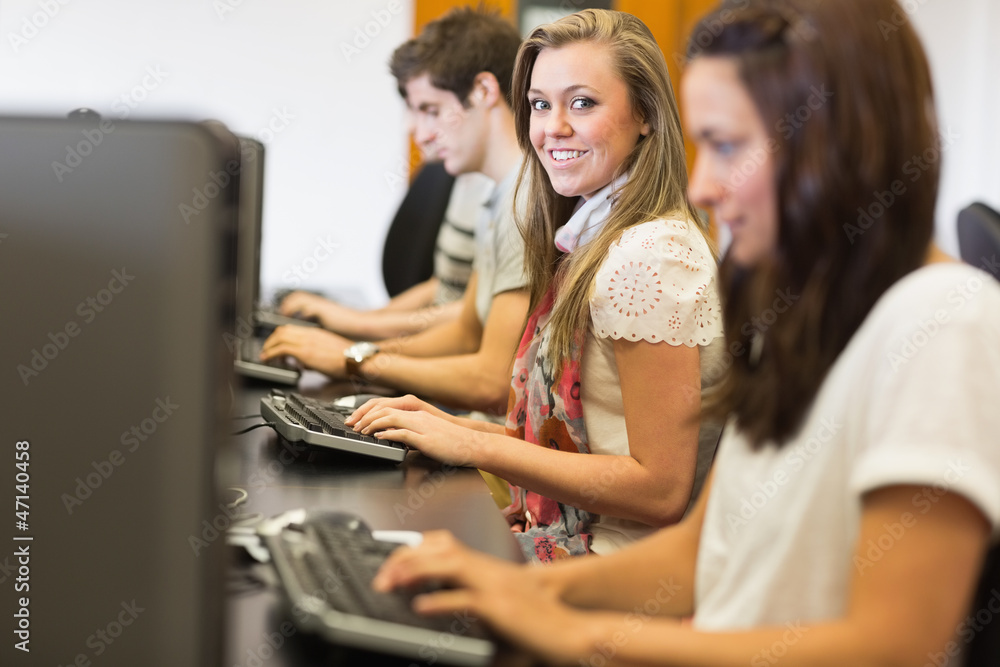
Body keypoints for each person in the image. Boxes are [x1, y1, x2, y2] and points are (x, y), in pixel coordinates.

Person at [366, 0, 1000, 664]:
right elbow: (702, 546)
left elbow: (892, 646)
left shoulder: (943, 321)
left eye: (727, 146)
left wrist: (577, 630)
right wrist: (522, 587)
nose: (702, 185)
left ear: (837, 135)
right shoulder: (800, 310)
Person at [349, 9, 724, 561]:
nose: (552, 129)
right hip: (572, 538)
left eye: (583, 103)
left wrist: (474, 444)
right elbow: (583, 442)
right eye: (541, 104)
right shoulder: (592, 234)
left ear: (645, 114)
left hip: (613, 565)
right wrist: (444, 427)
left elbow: (660, 489)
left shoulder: (651, 256)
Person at [260, 8, 529, 415]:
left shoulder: (523, 203)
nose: (420, 134)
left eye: (432, 110)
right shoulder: (497, 196)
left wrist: (357, 360)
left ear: (483, 92)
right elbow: (463, 331)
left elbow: (492, 384)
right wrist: (357, 354)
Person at [277, 169, 493, 341]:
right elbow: (443, 286)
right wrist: (363, 320)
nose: (415, 130)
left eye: (431, 111)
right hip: (432, 339)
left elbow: (472, 320)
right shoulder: (467, 178)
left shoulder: (500, 191)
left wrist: (358, 334)